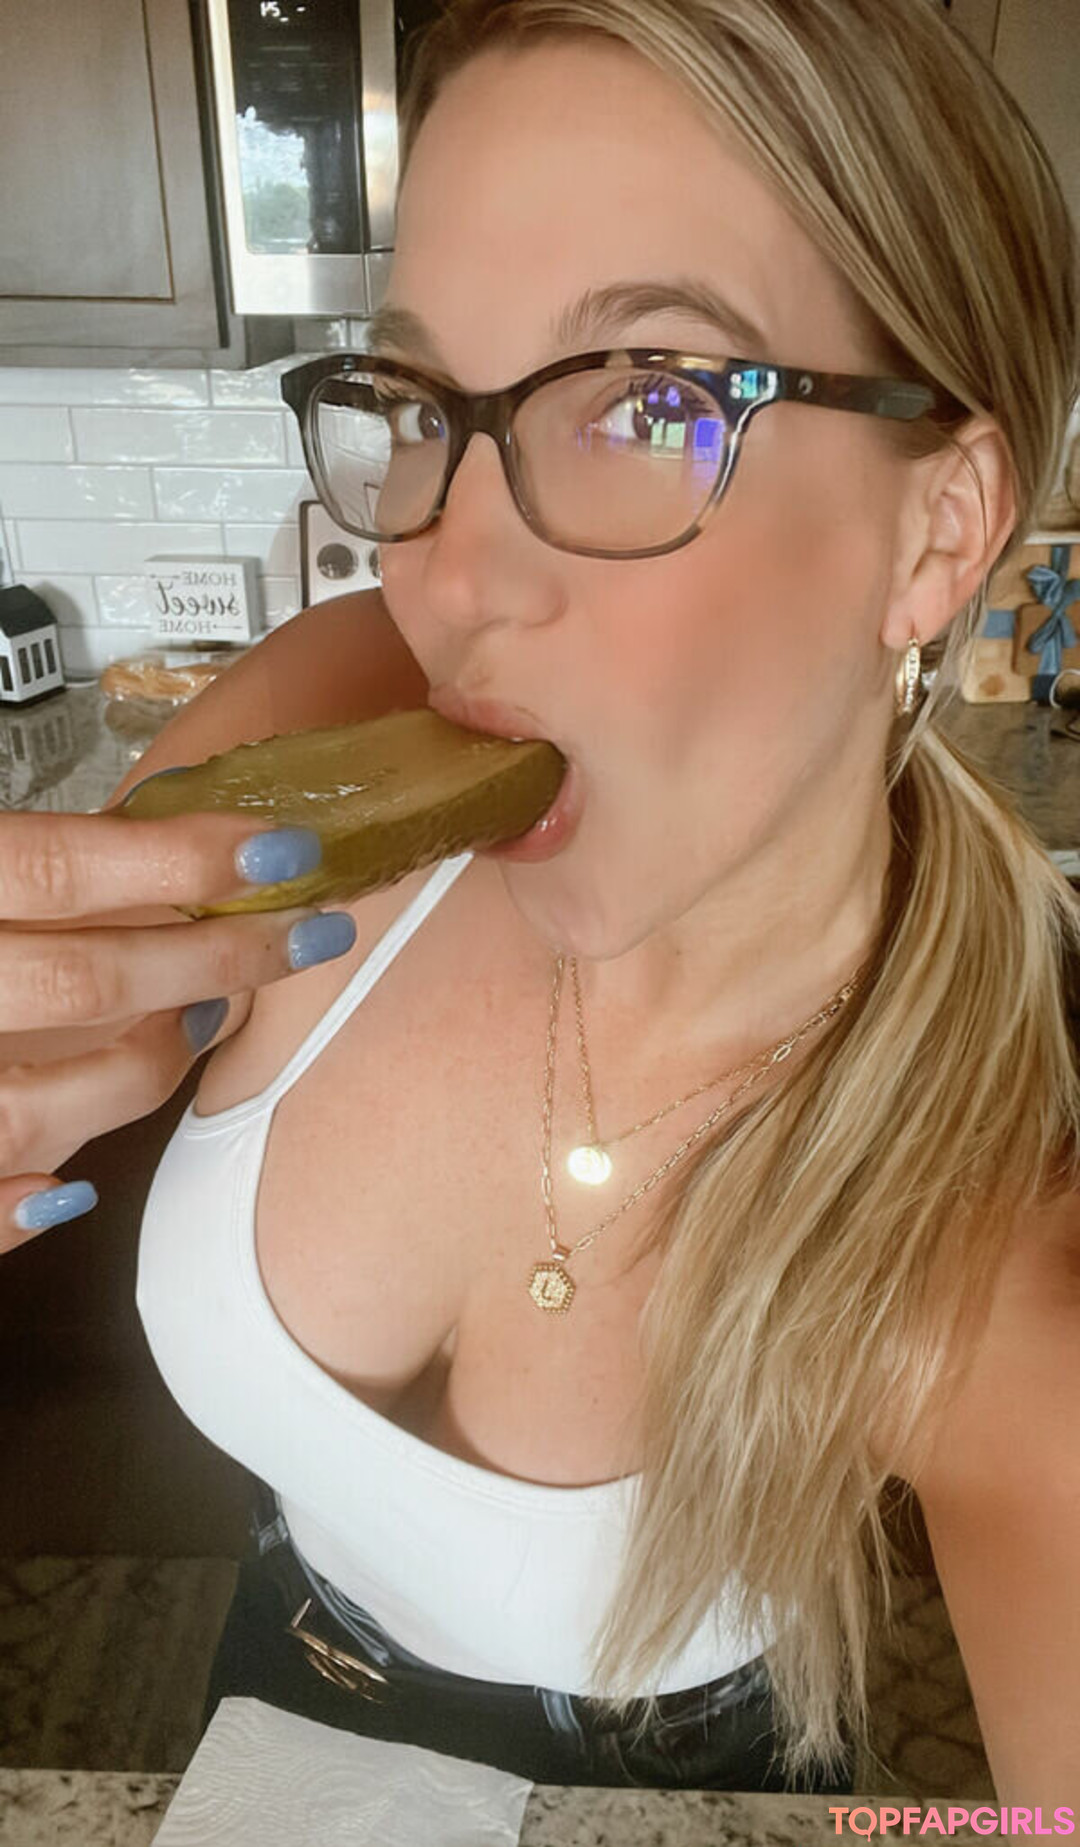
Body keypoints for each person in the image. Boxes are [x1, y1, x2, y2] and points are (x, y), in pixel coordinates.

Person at [2, 0, 1078, 1803]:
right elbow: (55, 1027)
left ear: (939, 530)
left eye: (649, 401)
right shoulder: (329, 728)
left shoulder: (983, 1243)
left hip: (668, 1790)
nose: (447, 575)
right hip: (266, 1688)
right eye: (421, 406)